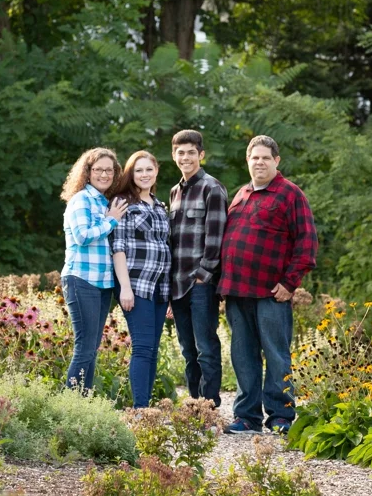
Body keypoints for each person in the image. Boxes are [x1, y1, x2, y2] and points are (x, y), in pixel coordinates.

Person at [218, 135, 317, 434]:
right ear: (247, 161)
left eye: (265, 158)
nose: (259, 162)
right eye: (254, 158)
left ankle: (280, 417)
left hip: (272, 293)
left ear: (276, 161)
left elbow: (307, 242)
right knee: (243, 356)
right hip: (237, 291)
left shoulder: (290, 194)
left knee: (276, 354)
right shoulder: (242, 194)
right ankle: (247, 417)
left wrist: (290, 282)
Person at [107, 150, 172, 408]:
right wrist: (125, 287)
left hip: (160, 287)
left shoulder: (160, 205)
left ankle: (146, 409)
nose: (144, 174)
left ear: (156, 171)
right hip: (136, 285)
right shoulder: (123, 203)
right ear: (131, 174)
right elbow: (118, 247)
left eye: (148, 169)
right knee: (143, 348)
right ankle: (140, 410)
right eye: (138, 170)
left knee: (153, 349)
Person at [167, 129, 227, 403]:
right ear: (173, 156)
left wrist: (203, 276)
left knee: (206, 348)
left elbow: (216, 238)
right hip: (177, 284)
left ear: (201, 155)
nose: (186, 158)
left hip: (201, 283)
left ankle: (209, 404)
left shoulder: (212, 188)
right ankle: (194, 406)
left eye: (191, 152)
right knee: (188, 350)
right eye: (180, 153)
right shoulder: (174, 192)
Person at [60, 147, 126, 393]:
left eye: (109, 170)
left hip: (102, 283)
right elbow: (82, 236)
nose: (104, 174)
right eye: (98, 169)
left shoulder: (104, 202)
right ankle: (69, 405)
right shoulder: (81, 200)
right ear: (88, 172)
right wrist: (111, 220)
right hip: (81, 279)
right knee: (84, 348)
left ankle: (83, 403)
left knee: (92, 349)